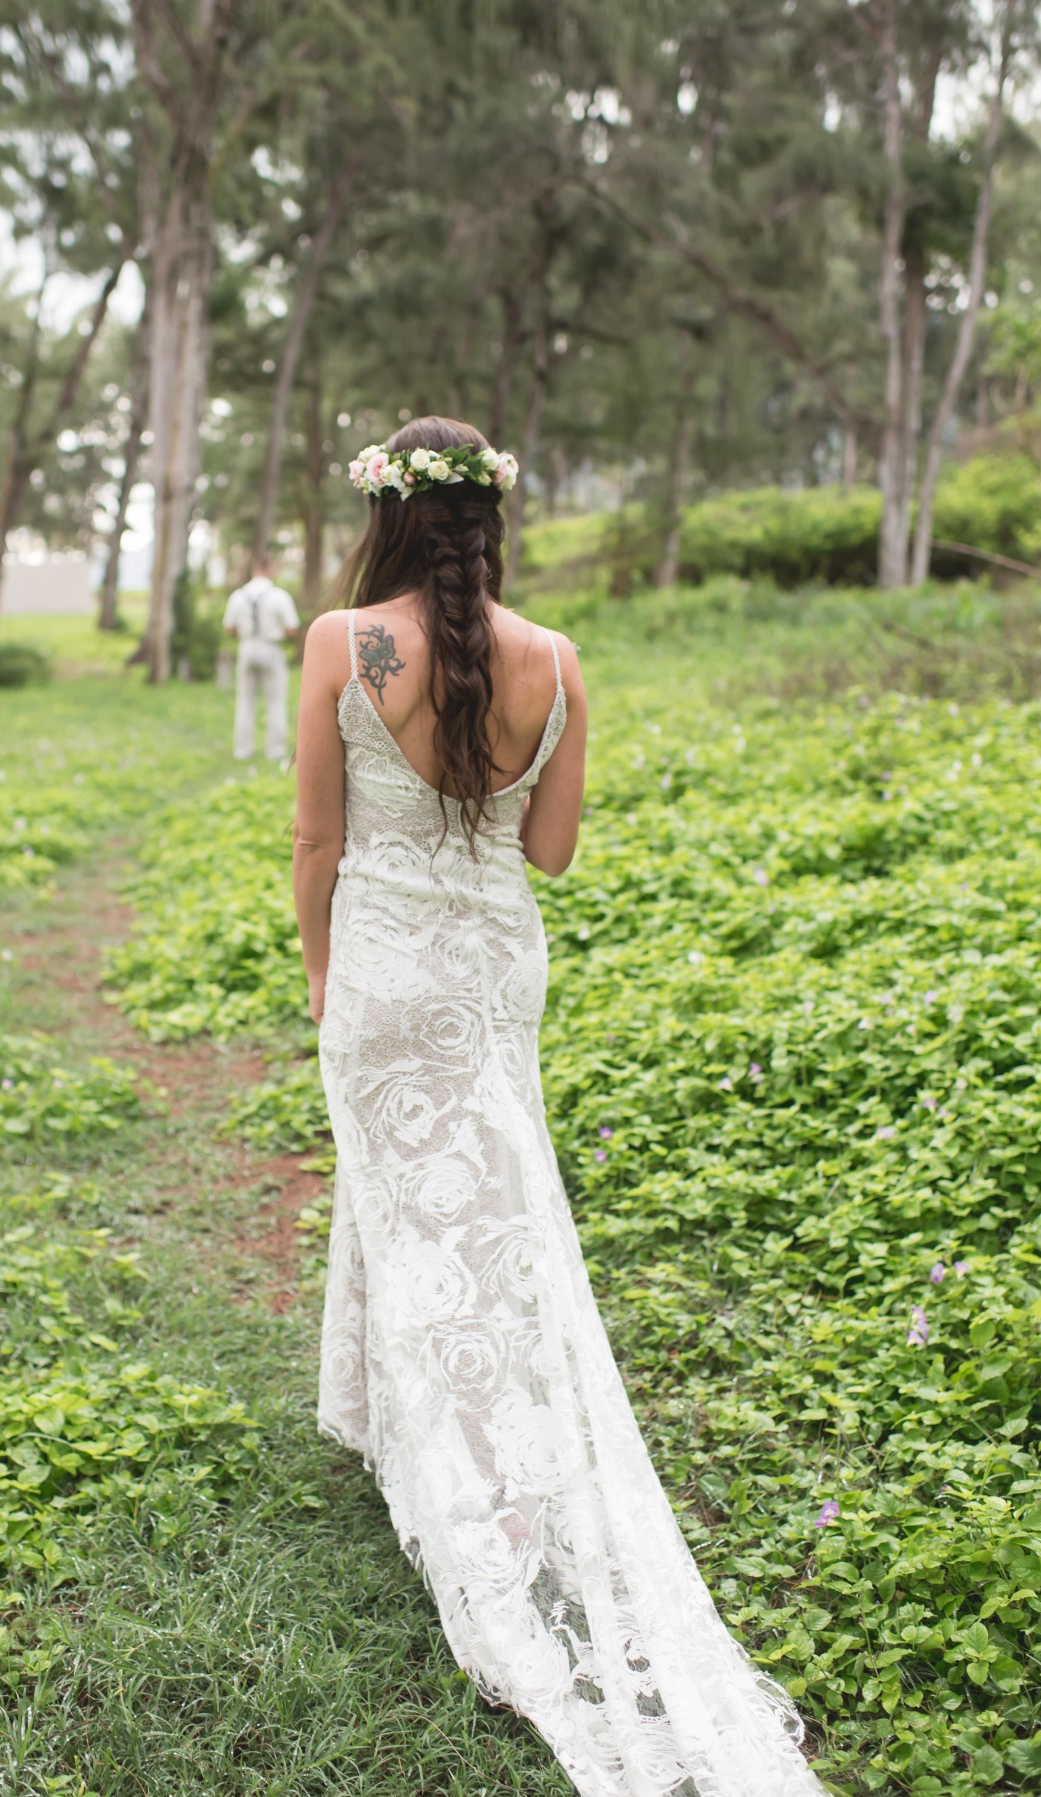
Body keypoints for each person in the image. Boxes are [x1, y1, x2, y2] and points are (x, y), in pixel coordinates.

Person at [292, 417, 826, 1797]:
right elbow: (554, 849)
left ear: (393, 514)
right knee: (497, 1224)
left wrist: (321, 980)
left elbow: (317, 840)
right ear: (493, 518)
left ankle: (454, 1480)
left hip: (389, 971)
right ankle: (427, 1430)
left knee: (407, 1208)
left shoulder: (343, 643)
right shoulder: (557, 662)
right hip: (490, 972)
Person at [222, 555, 300, 761]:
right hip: (271, 648)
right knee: (276, 700)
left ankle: (242, 749)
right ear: (270, 569)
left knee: (245, 700)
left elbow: (229, 628)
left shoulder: (238, 595)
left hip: (247, 647)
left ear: (254, 568)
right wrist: (275, 632)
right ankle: (275, 750)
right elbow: (292, 629)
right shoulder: (279, 596)